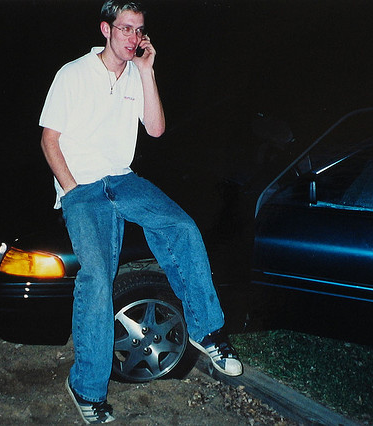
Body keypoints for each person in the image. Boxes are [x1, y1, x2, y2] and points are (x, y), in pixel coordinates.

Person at [39, 1, 242, 423]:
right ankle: (86, 389)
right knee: (97, 277)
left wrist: (147, 72)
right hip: (82, 186)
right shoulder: (72, 74)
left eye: (139, 30)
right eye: (126, 28)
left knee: (182, 227)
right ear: (106, 30)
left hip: (122, 178)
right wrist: (72, 190)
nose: (133, 38)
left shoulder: (136, 72)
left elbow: (156, 129)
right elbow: (49, 140)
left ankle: (207, 333)